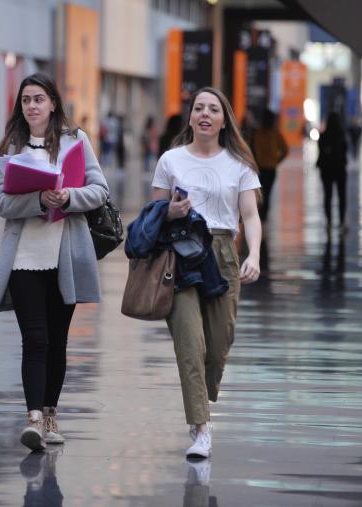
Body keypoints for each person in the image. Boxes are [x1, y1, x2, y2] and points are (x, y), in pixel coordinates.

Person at [0, 73, 109, 451]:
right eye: (26, 100)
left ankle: (51, 413)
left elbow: (100, 190)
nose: (32, 106)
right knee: (34, 339)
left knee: (56, 341)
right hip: (23, 259)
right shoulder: (12, 146)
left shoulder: (75, 140)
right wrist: (38, 200)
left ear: (53, 103)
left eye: (38, 99)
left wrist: (67, 197)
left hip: (64, 257)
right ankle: (34, 418)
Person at [151, 86, 262, 460]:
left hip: (222, 253)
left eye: (213, 109)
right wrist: (170, 212)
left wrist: (254, 255)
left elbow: (250, 216)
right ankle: (201, 427)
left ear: (223, 120)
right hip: (180, 254)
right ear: (190, 116)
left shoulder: (239, 164)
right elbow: (153, 213)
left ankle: (200, 396)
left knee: (218, 344)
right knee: (190, 343)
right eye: (198, 107)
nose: (205, 114)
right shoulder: (170, 160)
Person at [251, 109, 288, 222]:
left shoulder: (259, 133)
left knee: (263, 192)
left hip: (263, 168)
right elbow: (285, 150)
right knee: (265, 192)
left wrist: (276, 161)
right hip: (266, 168)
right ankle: (263, 215)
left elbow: (285, 150)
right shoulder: (273, 134)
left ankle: (262, 215)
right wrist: (277, 160)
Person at [316, 112, 348, 231]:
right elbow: (345, 151)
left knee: (327, 196)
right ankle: (342, 221)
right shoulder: (341, 136)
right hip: (340, 169)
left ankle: (329, 221)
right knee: (342, 196)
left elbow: (321, 152)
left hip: (326, 170)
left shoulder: (323, 136)